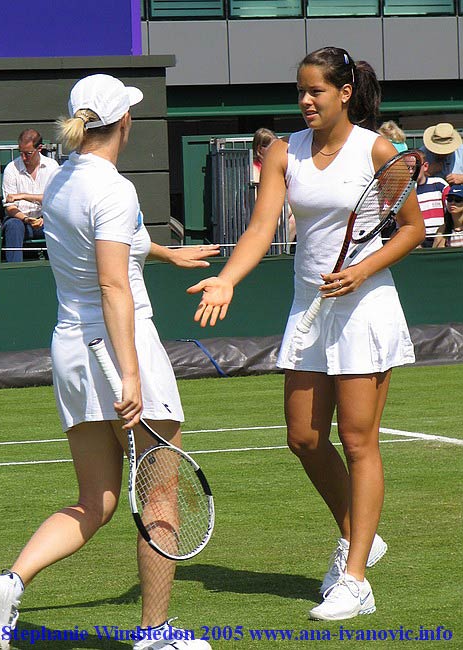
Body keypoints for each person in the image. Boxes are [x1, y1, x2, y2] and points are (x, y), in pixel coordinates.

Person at [0, 74, 217, 650]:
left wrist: (164, 252)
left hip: (72, 350)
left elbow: (112, 243)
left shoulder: (60, 183)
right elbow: (113, 283)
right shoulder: (115, 189)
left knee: (98, 500)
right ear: (124, 122)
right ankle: (155, 633)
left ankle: (9, 583)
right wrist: (132, 374)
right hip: (120, 347)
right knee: (159, 494)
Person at [188, 47, 424, 621]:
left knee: (359, 440)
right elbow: (261, 227)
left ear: (344, 93)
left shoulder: (377, 150)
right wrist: (227, 281)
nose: (305, 100)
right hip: (308, 307)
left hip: (364, 306)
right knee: (304, 438)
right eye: (300, 90)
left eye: (316, 90)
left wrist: (361, 270)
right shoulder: (281, 152)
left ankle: (356, 576)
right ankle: (358, 535)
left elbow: (413, 228)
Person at [1, 129, 59, 262]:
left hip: (45, 218)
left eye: (28, 153)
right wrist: (27, 219)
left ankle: (56, 268)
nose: (23, 158)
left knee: (58, 223)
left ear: (39, 148)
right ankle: (14, 271)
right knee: (13, 225)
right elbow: (9, 207)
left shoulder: (52, 167)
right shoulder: (12, 168)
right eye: (20, 153)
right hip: (20, 219)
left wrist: (22, 195)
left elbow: (55, 200)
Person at [252, 128, 296, 245]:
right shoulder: (254, 168)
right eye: (271, 147)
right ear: (260, 149)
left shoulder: (278, 164)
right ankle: (269, 248)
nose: (275, 150)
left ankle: (282, 249)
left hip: (280, 206)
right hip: (260, 208)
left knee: (294, 219)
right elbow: (256, 197)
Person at [411, 150, 448, 248]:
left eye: (415, 167)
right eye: (407, 168)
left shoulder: (439, 184)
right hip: (415, 238)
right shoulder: (402, 191)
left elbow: (452, 208)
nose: (411, 171)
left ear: (425, 166)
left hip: (439, 235)